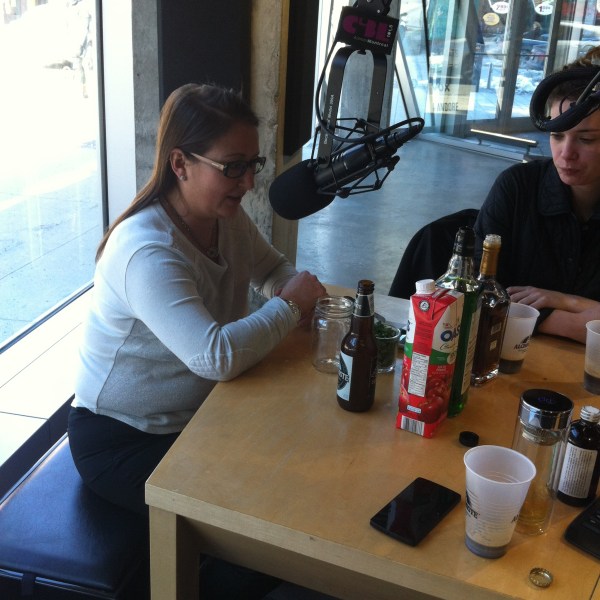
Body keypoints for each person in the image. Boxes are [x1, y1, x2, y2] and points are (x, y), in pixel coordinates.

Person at [68, 83, 326, 597]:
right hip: (123, 439)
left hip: (198, 417)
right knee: (263, 526)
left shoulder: (222, 218)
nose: (248, 182)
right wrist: (291, 305)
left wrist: (287, 290)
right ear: (180, 164)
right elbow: (215, 356)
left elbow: (273, 269)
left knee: (304, 467)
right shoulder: (146, 250)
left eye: (252, 164)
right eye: (233, 167)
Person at [474, 47, 600, 344]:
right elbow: (478, 292)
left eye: (586, 139)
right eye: (557, 135)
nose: (565, 154)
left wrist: (563, 300)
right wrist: (575, 322)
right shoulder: (518, 187)